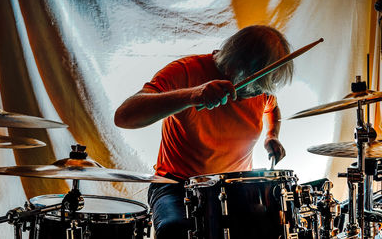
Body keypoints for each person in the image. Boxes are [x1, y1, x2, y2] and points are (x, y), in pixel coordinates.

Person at [114, 25, 293, 239]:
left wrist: (272, 134)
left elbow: (271, 107)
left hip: (234, 187)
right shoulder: (185, 71)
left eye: (262, 90)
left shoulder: (260, 90)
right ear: (234, 66)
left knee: (274, 225)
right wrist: (193, 95)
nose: (255, 95)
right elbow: (124, 116)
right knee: (176, 230)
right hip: (177, 185)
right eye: (252, 89)